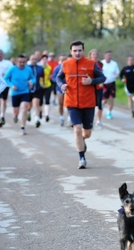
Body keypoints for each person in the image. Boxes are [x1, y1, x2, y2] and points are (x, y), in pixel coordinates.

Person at [56, 41, 106, 169]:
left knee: (87, 133)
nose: (77, 53)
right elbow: (58, 78)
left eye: (79, 50)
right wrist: (62, 85)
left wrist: (92, 81)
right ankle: (82, 158)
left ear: (83, 51)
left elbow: (102, 78)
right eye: (75, 51)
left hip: (88, 103)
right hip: (72, 103)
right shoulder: (66, 64)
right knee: (77, 130)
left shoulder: (91, 64)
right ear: (71, 52)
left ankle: (83, 141)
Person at [4, 54, 36, 135]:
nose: (22, 63)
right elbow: (5, 78)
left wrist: (31, 82)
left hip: (25, 92)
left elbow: (33, 78)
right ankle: (15, 116)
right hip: (15, 93)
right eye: (20, 62)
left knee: (25, 108)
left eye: (24, 62)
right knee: (16, 111)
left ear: (26, 62)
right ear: (16, 61)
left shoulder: (28, 69)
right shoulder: (12, 69)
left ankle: (23, 127)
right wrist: (11, 85)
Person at [88, 49, 104, 128]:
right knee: (91, 105)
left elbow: (101, 74)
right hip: (90, 86)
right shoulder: (87, 63)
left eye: (96, 54)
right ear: (90, 55)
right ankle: (90, 121)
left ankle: (98, 121)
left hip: (99, 86)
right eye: (93, 54)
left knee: (99, 104)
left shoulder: (100, 63)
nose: (95, 56)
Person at [100, 50, 119, 120]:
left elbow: (117, 72)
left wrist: (117, 75)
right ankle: (102, 105)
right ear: (104, 56)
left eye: (110, 55)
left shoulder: (114, 64)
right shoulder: (101, 63)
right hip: (104, 84)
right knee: (104, 100)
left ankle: (109, 112)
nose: (109, 56)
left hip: (112, 83)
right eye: (108, 55)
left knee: (111, 98)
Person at [51, 54, 69, 126]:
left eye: (65, 60)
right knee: (61, 103)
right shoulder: (57, 68)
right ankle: (61, 117)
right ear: (59, 60)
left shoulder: (69, 67)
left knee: (69, 104)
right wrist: (60, 82)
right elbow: (53, 78)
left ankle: (69, 119)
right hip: (59, 88)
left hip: (68, 88)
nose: (63, 61)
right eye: (62, 60)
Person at [28, 54, 44, 128]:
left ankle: (37, 119)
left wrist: (43, 84)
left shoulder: (40, 68)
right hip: (28, 90)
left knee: (36, 104)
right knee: (29, 105)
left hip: (37, 89)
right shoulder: (27, 68)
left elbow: (43, 77)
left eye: (35, 59)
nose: (34, 60)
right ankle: (28, 112)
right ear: (30, 60)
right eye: (32, 59)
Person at [40, 54, 52, 122]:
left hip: (48, 85)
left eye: (46, 59)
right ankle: (40, 112)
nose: (44, 61)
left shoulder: (49, 67)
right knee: (40, 101)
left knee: (47, 101)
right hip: (40, 86)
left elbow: (50, 75)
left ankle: (47, 115)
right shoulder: (39, 67)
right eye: (43, 59)